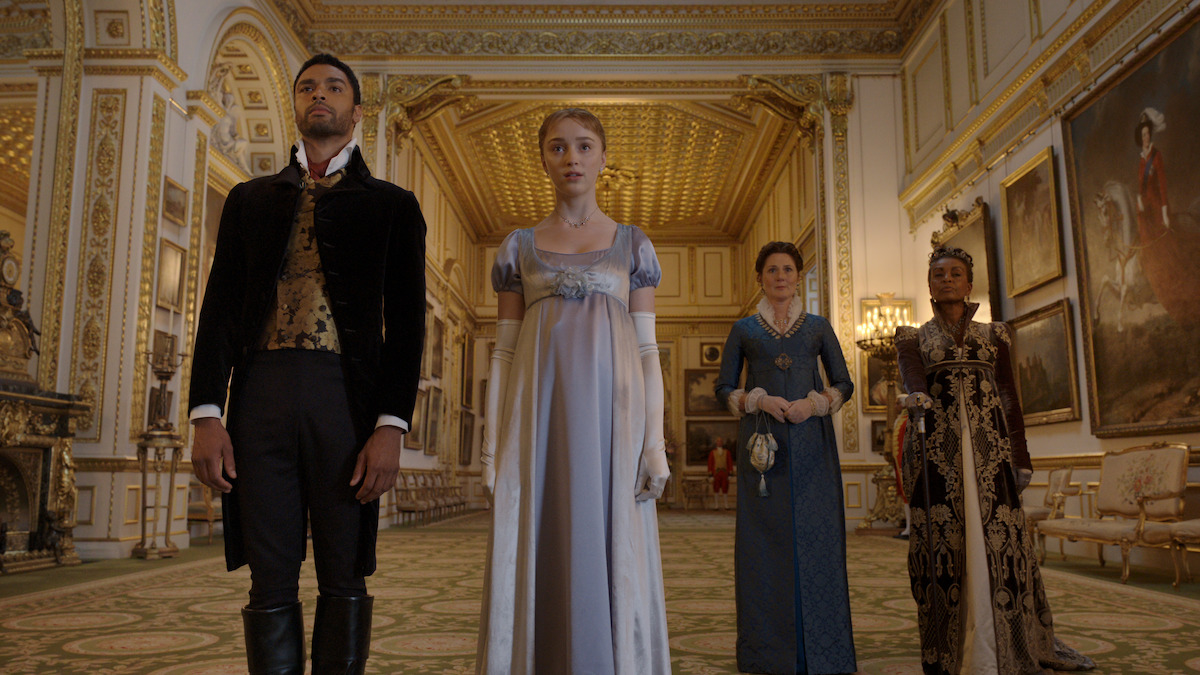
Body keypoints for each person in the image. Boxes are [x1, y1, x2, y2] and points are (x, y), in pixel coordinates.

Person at [188, 53, 427, 675]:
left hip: (344, 403)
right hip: (258, 400)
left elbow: (405, 327)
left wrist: (390, 426)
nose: (319, 94)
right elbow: (216, 310)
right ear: (297, 104)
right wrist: (207, 413)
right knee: (269, 581)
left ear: (355, 108)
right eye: (307, 87)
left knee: (344, 576)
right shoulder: (249, 200)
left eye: (334, 87)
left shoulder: (393, 206)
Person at [476, 108, 671, 674]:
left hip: (615, 426)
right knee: (543, 547)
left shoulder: (633, 246)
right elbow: (505, 353)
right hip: (537, 428)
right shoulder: (520, 247)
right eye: (558, 148)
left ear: (603, 158)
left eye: (584, 146)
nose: (572, 159)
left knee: (611, 552)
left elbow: (647, 352)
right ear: (543, 159)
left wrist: (653, 443)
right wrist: (493, 451)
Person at [896, 246, 1094, 675]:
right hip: (938, 458)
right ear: (929, 284)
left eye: (956, 274)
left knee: (1001, 550)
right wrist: (916, 396)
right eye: (939, 274)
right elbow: (912, 375)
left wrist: (1020, 457)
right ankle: (951, 650)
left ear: (969, 283)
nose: (947, 280)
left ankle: (1002, 646)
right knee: (945, 547)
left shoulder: (996, 334)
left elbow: (1008, 395)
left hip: (993, 457)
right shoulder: (912, 336)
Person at [715, 241, 856, 675]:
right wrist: (758, 399)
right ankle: (766, 656)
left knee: (819, 542)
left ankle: (827, 655)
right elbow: (723, 389)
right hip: (762, 448)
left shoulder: (817, 327)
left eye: (788, 270)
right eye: (772, 270)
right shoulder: (744, 329)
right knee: (763, 547)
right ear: (761, 277)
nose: (781, 276)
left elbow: (844, 383)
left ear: (798, 277)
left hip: (812, 444)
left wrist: (812, 405)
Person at [707, 436, 733, 510]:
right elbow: (710, 464)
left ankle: (726, 505)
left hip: (725, 472)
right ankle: (716, 505)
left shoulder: (727, 452)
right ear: (716, 442)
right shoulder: (712, 453)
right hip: (716, 473)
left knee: (725, 488)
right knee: (716, 488)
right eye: (718, 441)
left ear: (722, 442)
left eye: (721, 441)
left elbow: (729, 463)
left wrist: (730, 473)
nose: (719, 442)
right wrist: (710, 474)